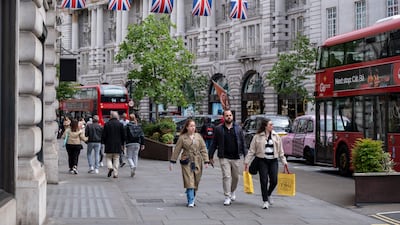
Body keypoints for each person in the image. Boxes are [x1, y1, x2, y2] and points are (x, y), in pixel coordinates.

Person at [244, 118, 288, 209]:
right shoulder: (257, 136)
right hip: (262, 160)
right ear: (265, 126)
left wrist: (284, 162)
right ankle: (265, 201)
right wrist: (246, 162)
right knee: (263, 181)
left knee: (274, 180)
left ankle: (268, 194)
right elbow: (252, 150)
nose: (272, 126)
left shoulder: (276, 136)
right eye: (270, 125)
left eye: (272, 124)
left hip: (273, 160)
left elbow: (281, 151)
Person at [208, 110, 247, 206]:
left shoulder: (238, 128)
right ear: (223, 117)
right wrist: (210, 156)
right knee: (226, 176)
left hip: (236, 157)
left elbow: (243, 143)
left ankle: (232, 191)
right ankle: (227, 196)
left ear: (232, 117)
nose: (229, 117)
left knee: (236, 177)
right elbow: (214, 143)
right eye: (227, 116)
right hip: (224, 157)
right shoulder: (218, 129)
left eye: (230, 115)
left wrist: (247, 158)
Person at [169, 119, 210, 207]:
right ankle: (190, 201)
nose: (193, 128)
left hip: (197, 161)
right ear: (187, 127)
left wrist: (206, 160)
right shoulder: (182, 137)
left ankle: (191, 194)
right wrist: (172, 161)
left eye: (194, 126)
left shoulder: (198, 136)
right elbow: (177, 150)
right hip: (187, 160)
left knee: (196, 180)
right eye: (191, 126)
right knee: (189, 180)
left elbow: (203, 148)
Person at [102, 111, 125, 178]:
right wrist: (122, 144)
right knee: (116, 158)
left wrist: (103, 142)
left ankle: (110, 167)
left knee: (108, 157)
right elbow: (123, 136)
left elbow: (104, 135)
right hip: (118, 144)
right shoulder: (120, 124)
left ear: (111, 116)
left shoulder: (107, 124)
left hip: (108, 144)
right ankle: (115, 173)